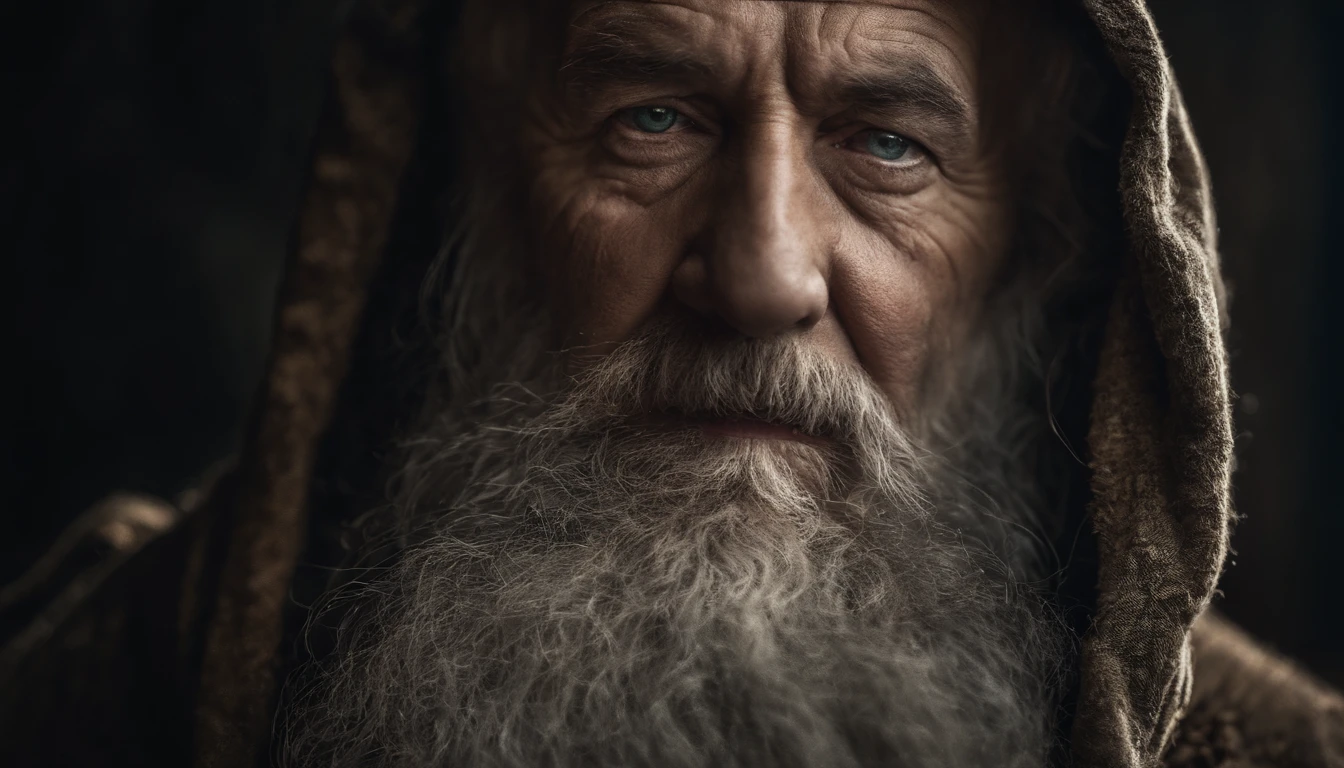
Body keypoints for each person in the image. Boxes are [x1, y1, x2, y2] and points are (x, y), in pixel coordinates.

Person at [2, 1, 1341, 766]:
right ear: (472, 200)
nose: (761, 275)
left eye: (886, 144)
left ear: (1026, 264)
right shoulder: (104, 698)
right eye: (653, 119)